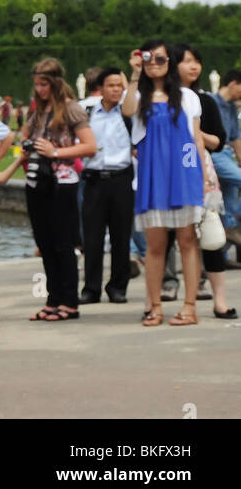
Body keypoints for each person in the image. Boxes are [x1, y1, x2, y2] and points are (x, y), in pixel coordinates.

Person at [0, 58, 95, 321]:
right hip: (36, 180)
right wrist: (28, 142)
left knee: (63, 243)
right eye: (36, 84)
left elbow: (89, 146)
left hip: (62, 181)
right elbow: (25, 137)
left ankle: (69, 301)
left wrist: (56, 151)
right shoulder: (37, 111)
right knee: (45, 243)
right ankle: (53, 300)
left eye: (44, 84)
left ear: (55, 83)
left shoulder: (71, 109)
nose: (39, 90)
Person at [122, 41, 206, 327]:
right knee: (155, 246)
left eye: (160, 57)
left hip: (184, 173)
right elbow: (127, 110)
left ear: (169, 61)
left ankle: (190, 306)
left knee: (188, 242)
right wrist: (134, 74)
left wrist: (202, 177)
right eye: (148, 57)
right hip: (152, 175)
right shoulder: (137, 94)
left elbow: (196, 140)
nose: (154, 62)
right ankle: (155, 306)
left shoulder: (186, 97)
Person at [174, 45, 234, 319]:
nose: (194, 66)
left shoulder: (205, 100)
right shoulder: (161, 99)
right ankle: (166, 298)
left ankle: (219, 300)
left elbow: (219, 141)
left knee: (211, 238)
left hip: (201, 170)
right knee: (170, 239)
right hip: (170, 171)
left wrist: (197, 134)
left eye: (197, 61)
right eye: (187, 61)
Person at [79, 68, 134, 305]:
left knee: (121, 236)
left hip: (121, 178)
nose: (116, 90)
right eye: (111, 85)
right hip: (93, 179)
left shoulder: (129, 112)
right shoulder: (87, 111)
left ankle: (118, 287)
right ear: (100, 88)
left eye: (119, 86)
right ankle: (91, 288)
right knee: (92, 237)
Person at [209, 70, 241, 261]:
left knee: (226, 201)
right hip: (216, 153)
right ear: (233, 84)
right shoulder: (211, 102)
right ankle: (232, 226)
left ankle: (221, 257)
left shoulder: (231, 107)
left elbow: (236, 137)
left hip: (228, 154)